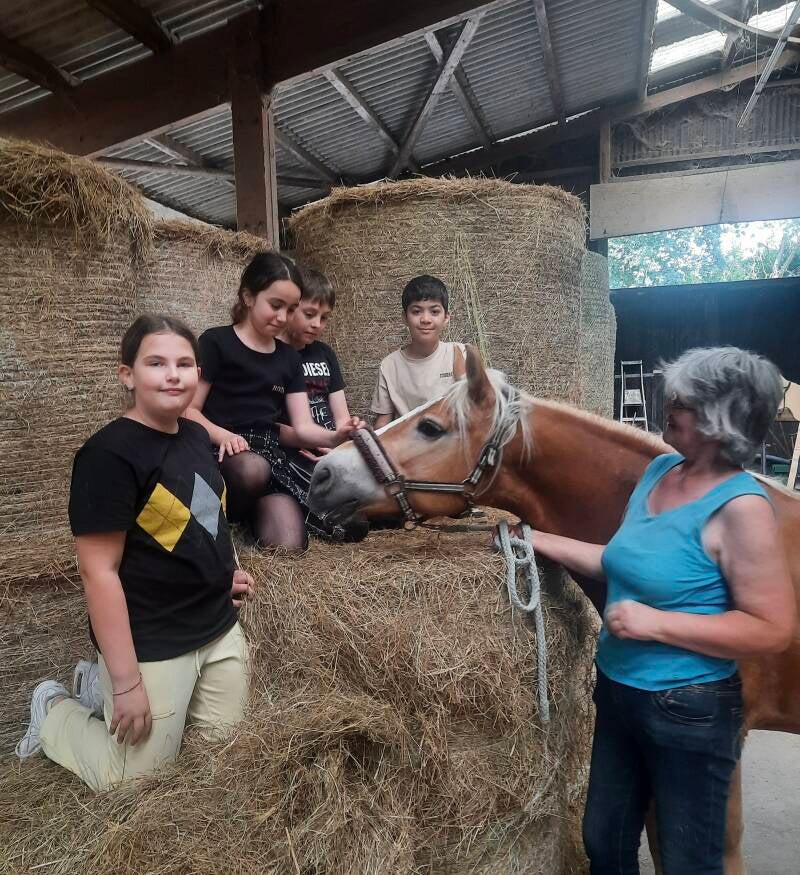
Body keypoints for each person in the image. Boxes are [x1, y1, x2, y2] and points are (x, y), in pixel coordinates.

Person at [526, 346, 796, 875]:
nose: (668, 407)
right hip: (619, 692)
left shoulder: (741, 508)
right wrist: (538, 539)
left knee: (688, 860)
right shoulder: (660, 471)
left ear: (724, 419)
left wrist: (656, 623)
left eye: (685, 403)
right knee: (603, 841)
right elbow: (622, 561)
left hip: (689, 709)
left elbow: (771, 628)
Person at [15, 315, 256, 793]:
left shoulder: (194, 436)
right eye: (156, 363)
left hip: (216, 626)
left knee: (223, 756)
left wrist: (223, 573)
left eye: (184, 364)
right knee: (130, 782)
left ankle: (98, 686)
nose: (173, 375)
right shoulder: (107, 456)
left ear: (197, 373)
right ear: (127, 375)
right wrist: (127, 683)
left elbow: (204, 519)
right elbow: (99, 573)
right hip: (155, 636)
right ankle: (57, 710)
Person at [186, 253, 361, 550]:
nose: (282, 317)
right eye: (275, 305)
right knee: (251, 469)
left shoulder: (289, 358)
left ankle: (251, 517)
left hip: (271, 455)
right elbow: (189, 410)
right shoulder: (216, 342)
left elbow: (302, 427)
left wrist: (336, 437)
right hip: (220, 451)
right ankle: (226, 517)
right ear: (248, 296)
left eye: (291, 309)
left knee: (290, 545)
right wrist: (224, 436)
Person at [277, 266, 368, 541]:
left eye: (324, 317)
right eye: (309, 314)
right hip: (298, 451)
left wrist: (347, 433)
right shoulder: (275, 356)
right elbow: (271, 424)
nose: (317, 324)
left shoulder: (325, 354)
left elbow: (341, 416)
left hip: (332, 447)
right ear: (290, 308)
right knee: (352, 526)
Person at [371, 275, 465, 429]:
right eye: (416, 312)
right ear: (405, 317)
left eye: (434, 312)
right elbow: (383, 422)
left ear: (446, 318)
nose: (425, 319)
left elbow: (475, 406)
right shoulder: (389, 365)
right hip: (407, 442)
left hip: (450, 440)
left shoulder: (459, 353)